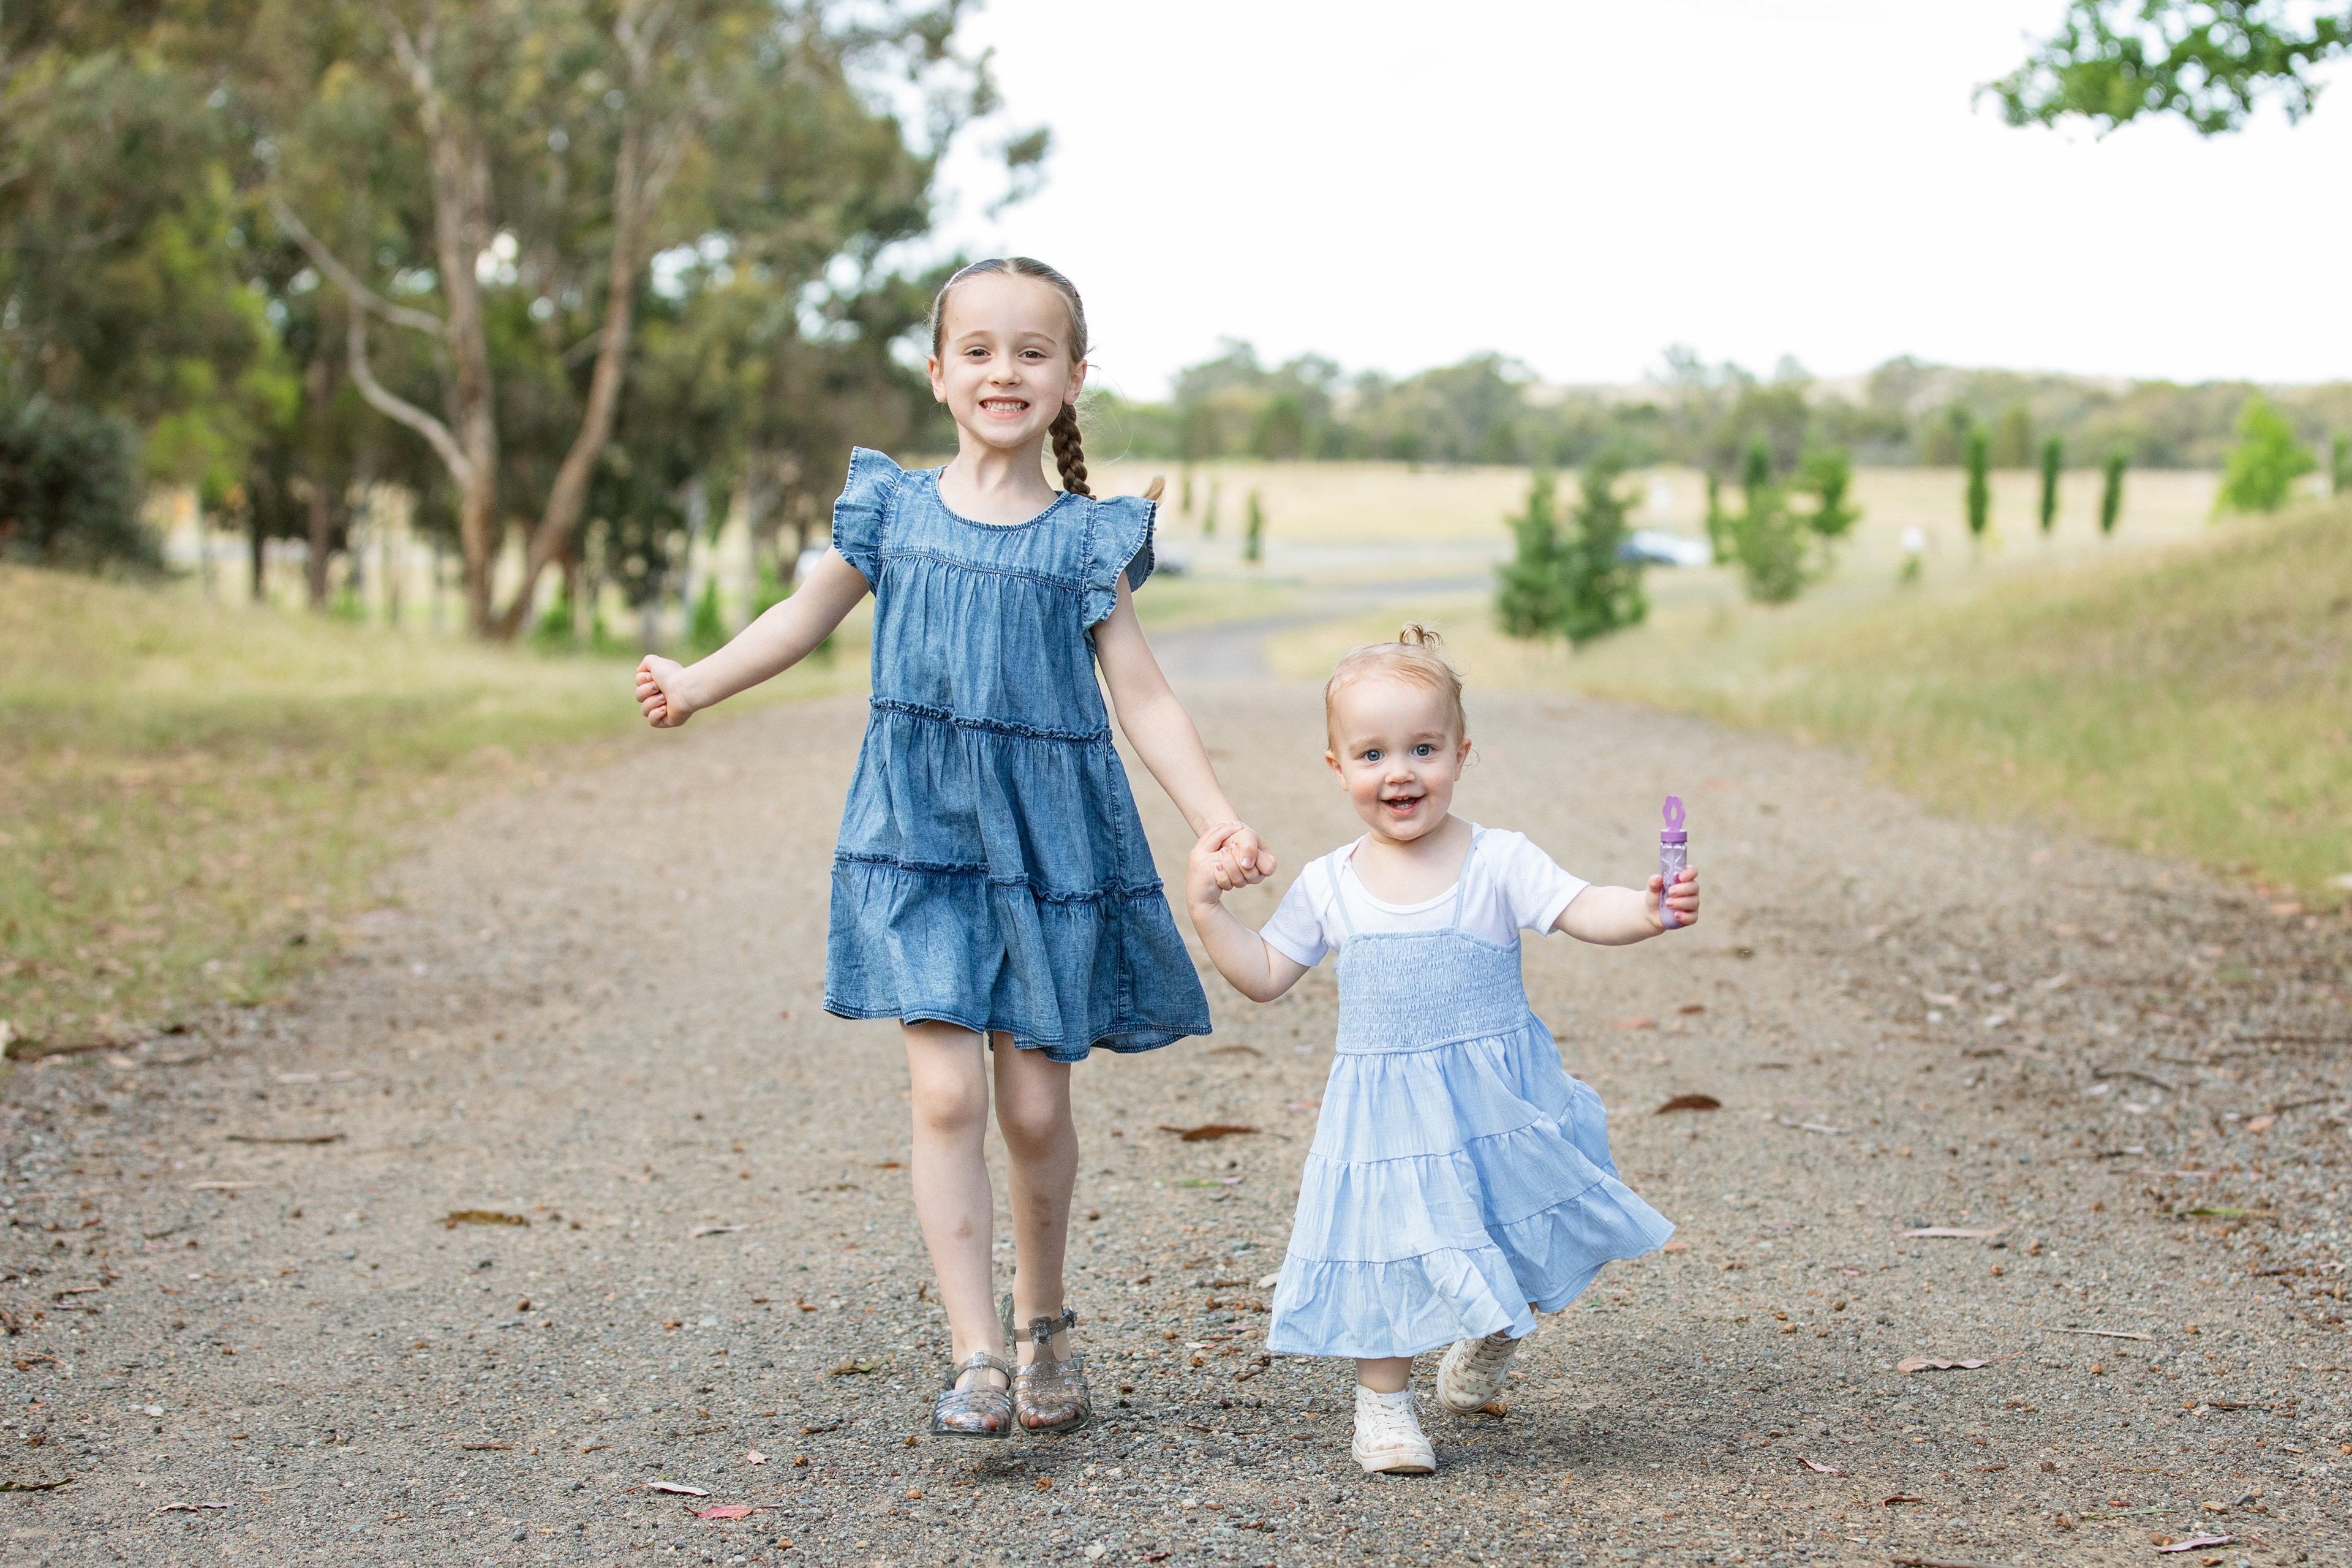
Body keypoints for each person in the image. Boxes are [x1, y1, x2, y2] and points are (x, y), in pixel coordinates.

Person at [634, 257, 1275, 1440]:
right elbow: (799, 620)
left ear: (1074, 378)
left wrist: (1214, 816)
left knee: (1032, 1111)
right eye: (977, 350)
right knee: (943, 1095)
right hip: (920, 841)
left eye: (1033, 352)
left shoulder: (1087, 541)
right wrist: (695, 682)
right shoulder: (893, 512)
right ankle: (974, 1353)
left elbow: (1144, 698)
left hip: (1049, 847)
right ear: (938, 375)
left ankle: (1047, 1324)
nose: (1004, 371)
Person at [1183, 627, 1692, 1474]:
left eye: (1423, 748)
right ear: (1337, 767)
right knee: (1387, 1248)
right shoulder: (1329, 882)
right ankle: (1383, 1407)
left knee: (1508, 1232)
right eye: (1373, 753)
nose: (1400, 772)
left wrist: (1645, 911)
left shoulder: (1499, 860)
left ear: (1462, 752)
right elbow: (1267, 974)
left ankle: (1489, 1334)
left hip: (1493, 1100)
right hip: (1385, 1117)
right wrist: (1208, 913)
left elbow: (1579, 907)